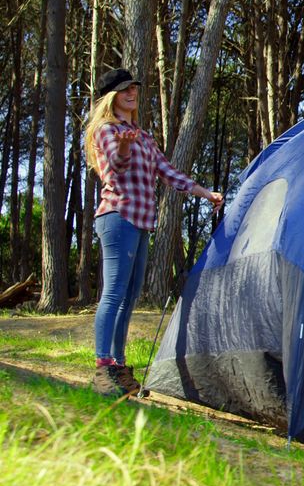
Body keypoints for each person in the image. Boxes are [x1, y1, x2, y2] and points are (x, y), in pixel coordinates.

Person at [84, 68, 223, 397]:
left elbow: (167, 172)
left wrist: (205, 193)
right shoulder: (107, 130)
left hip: (142, 222)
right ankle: (103, 368)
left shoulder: (142, 135)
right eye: (124, 90)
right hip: (118, 216)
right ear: (111, 98)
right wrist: (123, 149)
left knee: (130, 298)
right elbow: (114, 169)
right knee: (114, 294)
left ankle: (118, 366)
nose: (132, 93)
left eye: (133, 87)